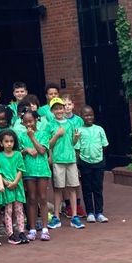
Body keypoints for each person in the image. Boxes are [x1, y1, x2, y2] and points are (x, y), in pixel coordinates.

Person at [46, 97, 84, 229]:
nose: (59, 110)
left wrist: (76, 138)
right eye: (56, 108)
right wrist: (56, 135)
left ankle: (74, 216)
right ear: (52, 110)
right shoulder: (50, 125)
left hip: (71, 159)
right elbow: (48, 144)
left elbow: (73, 143)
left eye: (60, 108)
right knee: (58, 189)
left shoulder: (70, 123)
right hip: (58, 160)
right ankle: (56, 217)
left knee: (72, 188)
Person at [20, 109, 51, 241]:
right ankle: (32, 228)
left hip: (42, 170)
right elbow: (18, 153)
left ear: (36, 120)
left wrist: (32, 137)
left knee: (42, 198)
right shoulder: (21, 136)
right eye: (26, 122)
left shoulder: (43, 134)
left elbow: (42, 150)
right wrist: (26, 150)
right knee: (31, 199)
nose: (29, 124)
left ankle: (45, 228)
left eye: (31, 121)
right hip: (28, 170)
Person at [0, 129, 27, 244]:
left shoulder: (18, 155)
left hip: (17, 186)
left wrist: (15, 182)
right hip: (7, 186)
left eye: (11, 141)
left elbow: (20, 169)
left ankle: (21, 231)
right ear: (1, 143)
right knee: (8, 210)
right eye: (6, 141)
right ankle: (10, 233)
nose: (9, 144)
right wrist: (5, 182)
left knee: (19, 210)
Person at [78, 104, 109, 223]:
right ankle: (90, 212)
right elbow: (77, 148)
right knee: (87, 188)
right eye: (86, 115)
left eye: (91, 115)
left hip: (99, 162)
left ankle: (99, 212)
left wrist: (97, 154)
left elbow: (104, 145)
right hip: (84, 162)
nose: (89, 117)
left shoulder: (99, 129)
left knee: (98, 188)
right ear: (82, 116)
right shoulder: (79, 131)